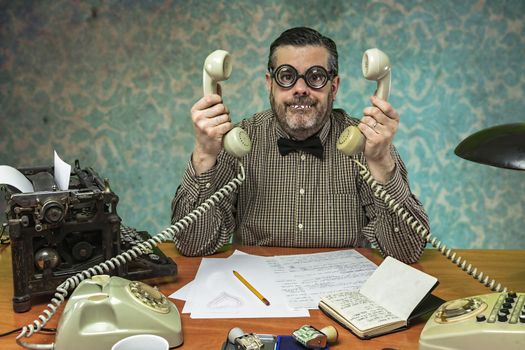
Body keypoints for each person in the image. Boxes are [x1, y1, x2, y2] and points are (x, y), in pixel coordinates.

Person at [171, 27, 428, 263]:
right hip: (258, 295)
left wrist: (380, 161)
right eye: (287, 76)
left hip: (342, 296)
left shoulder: (367, 142)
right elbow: (193, 244)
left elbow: (406, 251)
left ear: (333, 86)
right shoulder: (237, 141)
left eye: (315, 77)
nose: (301, 89)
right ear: (270, 84)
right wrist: (205, 155)